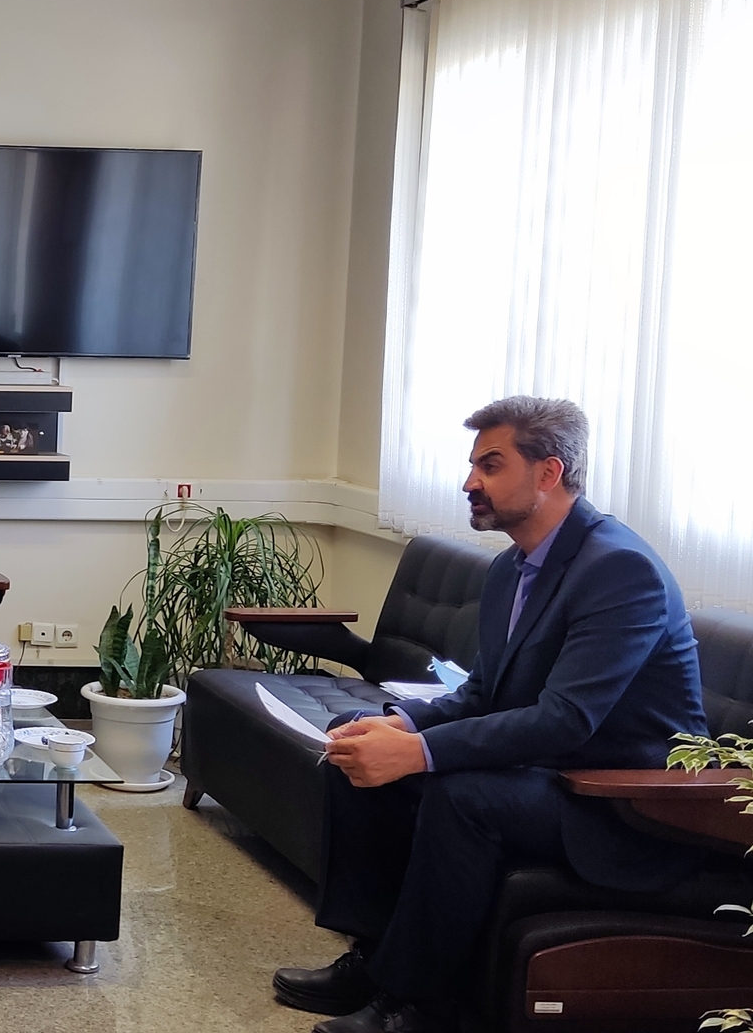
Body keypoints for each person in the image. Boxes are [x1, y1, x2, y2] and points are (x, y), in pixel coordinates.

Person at [272, 397, 708, 1033]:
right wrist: (403, 727)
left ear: (549, 473)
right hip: (546, 770)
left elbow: (566, 719)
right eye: (474, 465)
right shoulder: (511, 567)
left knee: (465, 796)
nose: (469, 482)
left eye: (491, 466)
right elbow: (484, 692)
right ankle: (374, 960)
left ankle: (419, 1006)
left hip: (621, 802)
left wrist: (420, 753)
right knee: (354, 746)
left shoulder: (620, 569)